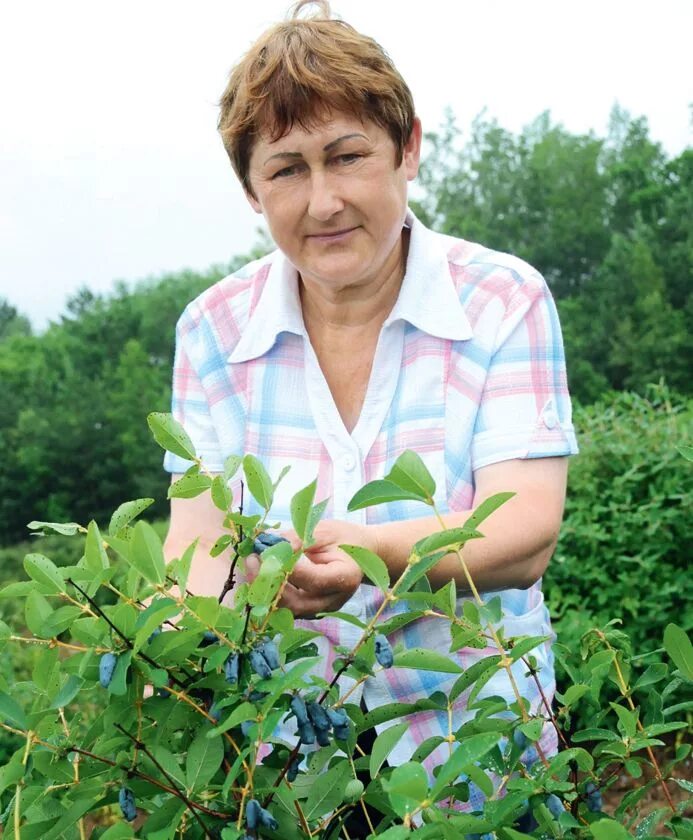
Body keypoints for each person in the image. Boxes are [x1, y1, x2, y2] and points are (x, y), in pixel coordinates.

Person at [162, 0, 578, 816]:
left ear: (407, 148)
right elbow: (198, 554)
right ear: (251, 188)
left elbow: (525, 530)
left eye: (346, 156)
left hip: (475, 748)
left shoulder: (501, 299)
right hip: (287, 764)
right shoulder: (211, 330)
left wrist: (370, 553)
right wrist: (167, 630)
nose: (323, 202)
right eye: (286, 169)